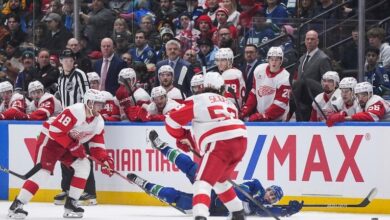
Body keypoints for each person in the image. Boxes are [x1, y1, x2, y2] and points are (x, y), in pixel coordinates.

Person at [127, 129, 303, 217]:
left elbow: (272, 211)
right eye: (271, 193)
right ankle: (161, 145)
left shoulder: (260, 209)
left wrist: (288, 210)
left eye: (273, 198)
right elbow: (256, 182)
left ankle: (145, 185)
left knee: (173, 195)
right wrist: (258, 194)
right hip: (213, 187)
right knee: (190, 166)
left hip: (210, 208)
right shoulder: (254, 188)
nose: (270, 197)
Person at [7, 89, 115, 219]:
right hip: (51, 140)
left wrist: (105, 161)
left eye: (102, 105)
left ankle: (71, 204)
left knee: (84, 165)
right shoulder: (75, 111)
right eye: (98, 104)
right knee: (43, 173)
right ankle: (16, 206)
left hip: (67, 144)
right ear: (89, 103)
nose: (101, 108)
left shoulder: (98, 122)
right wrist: (74, 146)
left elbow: (97, 147)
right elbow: (55, 131)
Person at [165, 72, 247, 220]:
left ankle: (200, 216)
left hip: (220, 143)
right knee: (220, 180)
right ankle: (238, 212)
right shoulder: (230, 103)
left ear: (203, 88)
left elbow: (171, 120)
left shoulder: (198, 99)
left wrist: (182, 136)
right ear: (222, 89)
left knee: (202, 183)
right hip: (241, 142)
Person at [240, 47, 291, 122]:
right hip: (261, 115)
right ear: (268, 59)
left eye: (277, 59)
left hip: (278, 119)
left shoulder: (285, 77)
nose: (274, 62)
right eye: (272, 59)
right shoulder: (259, 70)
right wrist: (245, 110)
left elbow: (280, 105)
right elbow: (254, 93)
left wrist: (264, 116)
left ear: (281, 60)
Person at [293, 30, 332, 121]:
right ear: (305, 41)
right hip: (301, 102)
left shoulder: (323, 58)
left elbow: (328, 82)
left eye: (312, 39)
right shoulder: (302, 58)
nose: (309, 41)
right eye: (307, 39)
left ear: (317, 41)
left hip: (314, 101)